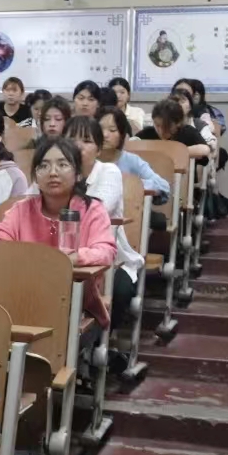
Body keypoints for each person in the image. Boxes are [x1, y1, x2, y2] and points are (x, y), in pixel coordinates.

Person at [0, 136, 116, 329]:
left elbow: (106, 251)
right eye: (44, 166)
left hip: (76, 304)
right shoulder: (22, 209)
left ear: (78, 174)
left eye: (62, 165)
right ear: (36, 176)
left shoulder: (92, 210)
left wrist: (76, 257)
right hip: (23, 296)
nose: (53, 172)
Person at [65, 117, 140, 332]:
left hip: (109, 260)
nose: (78, 146)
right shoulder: (53, 171)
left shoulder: (108, 171)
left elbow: (97, 210)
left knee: (119, 292)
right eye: (71, 139)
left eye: (86, 141)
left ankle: (99, 344)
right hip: (63, 257)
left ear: (98, 149)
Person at [98, 106, 171, 210]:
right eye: (100, 129)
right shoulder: (86, 159)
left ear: (122, 135)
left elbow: (163, 186)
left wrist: (133, 184)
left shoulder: (131, 160)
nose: (105, 135)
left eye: (112, 130)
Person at [138, 96, 211, 162]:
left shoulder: (187, 132)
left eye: (166, 127)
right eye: (157, 125)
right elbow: (133, 143)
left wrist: (176, 152)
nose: (161, 131)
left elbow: (205, 149)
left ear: (178, 123)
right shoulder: (148, 133)